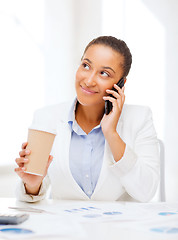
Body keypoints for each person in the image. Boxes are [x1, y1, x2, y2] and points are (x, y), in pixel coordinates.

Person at [15, 36, 160, 202]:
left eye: (104, 73)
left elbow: (146, 192)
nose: (89, 81)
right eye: (86, 65)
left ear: (121, 83)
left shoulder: (140, 118)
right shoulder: (46, 117)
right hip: (65, 225)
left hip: (118, 227)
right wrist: (32, 185)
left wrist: (111, 133)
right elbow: (31, 194)